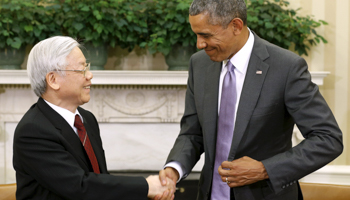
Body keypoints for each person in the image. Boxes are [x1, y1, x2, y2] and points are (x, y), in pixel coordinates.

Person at [158, 0, 343, 200]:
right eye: (196, 34)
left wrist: (264, 169)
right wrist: (174, 168)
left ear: (236, 26)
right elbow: (192, 133)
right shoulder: (199, 64)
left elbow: (328, 139)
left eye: (206, 35)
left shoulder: (286, 67)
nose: (199, 44)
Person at [13, 36, 175, 200]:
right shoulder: (33, 130)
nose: (89, 75)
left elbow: (100, 179)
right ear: (53, 80)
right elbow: (80, 186)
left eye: (87, 67)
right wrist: (145, 186)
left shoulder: (86, 119)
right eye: (81, 69)